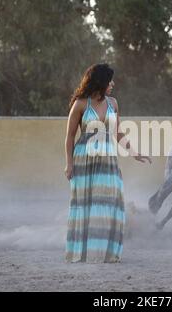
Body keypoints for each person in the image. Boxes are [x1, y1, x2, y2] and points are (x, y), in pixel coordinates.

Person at [64, 63, 151, 263]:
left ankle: (106, 253)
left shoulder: (113, 103)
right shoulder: (80, 104)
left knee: (111, 202)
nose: (113, 83)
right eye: (109, 80)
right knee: (85, 204)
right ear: (100, 82)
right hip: (84, 159)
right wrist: (69, 164)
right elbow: (69, 137)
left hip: (108, 159)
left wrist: (134, 152)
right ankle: (82, 253)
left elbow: (118, 133)